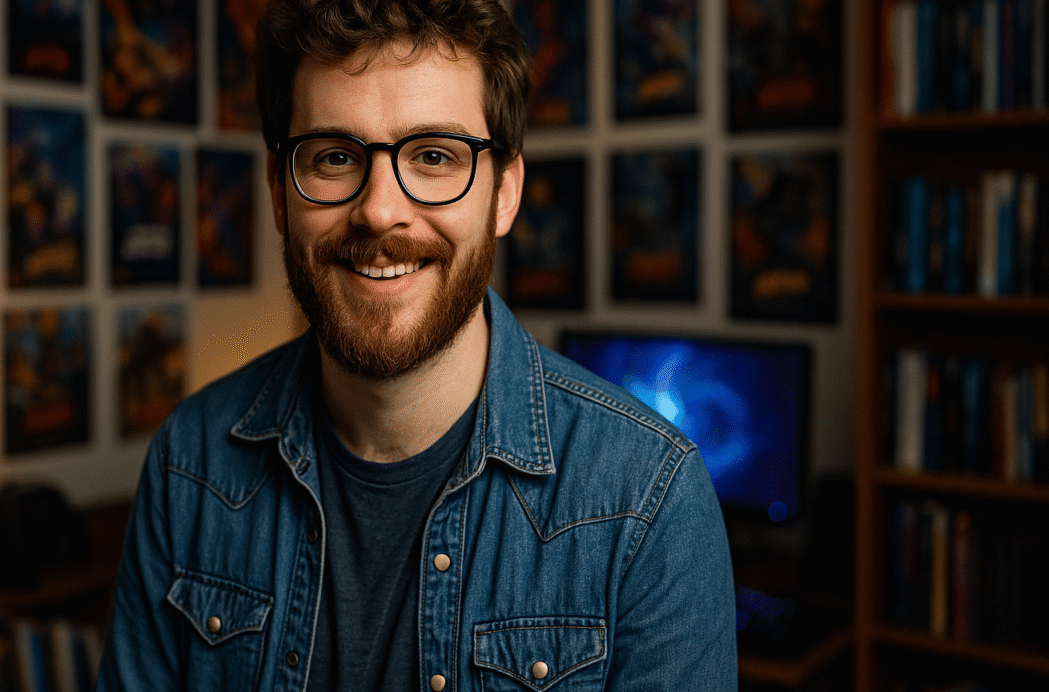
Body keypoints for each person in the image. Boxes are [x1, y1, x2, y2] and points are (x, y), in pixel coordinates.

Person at [96, 0, 737, 689]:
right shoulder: (189, 463)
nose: (378, 209)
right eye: (336, 156)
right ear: (280, 196)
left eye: (433, 156)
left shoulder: (648, 498)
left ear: (504, 195)